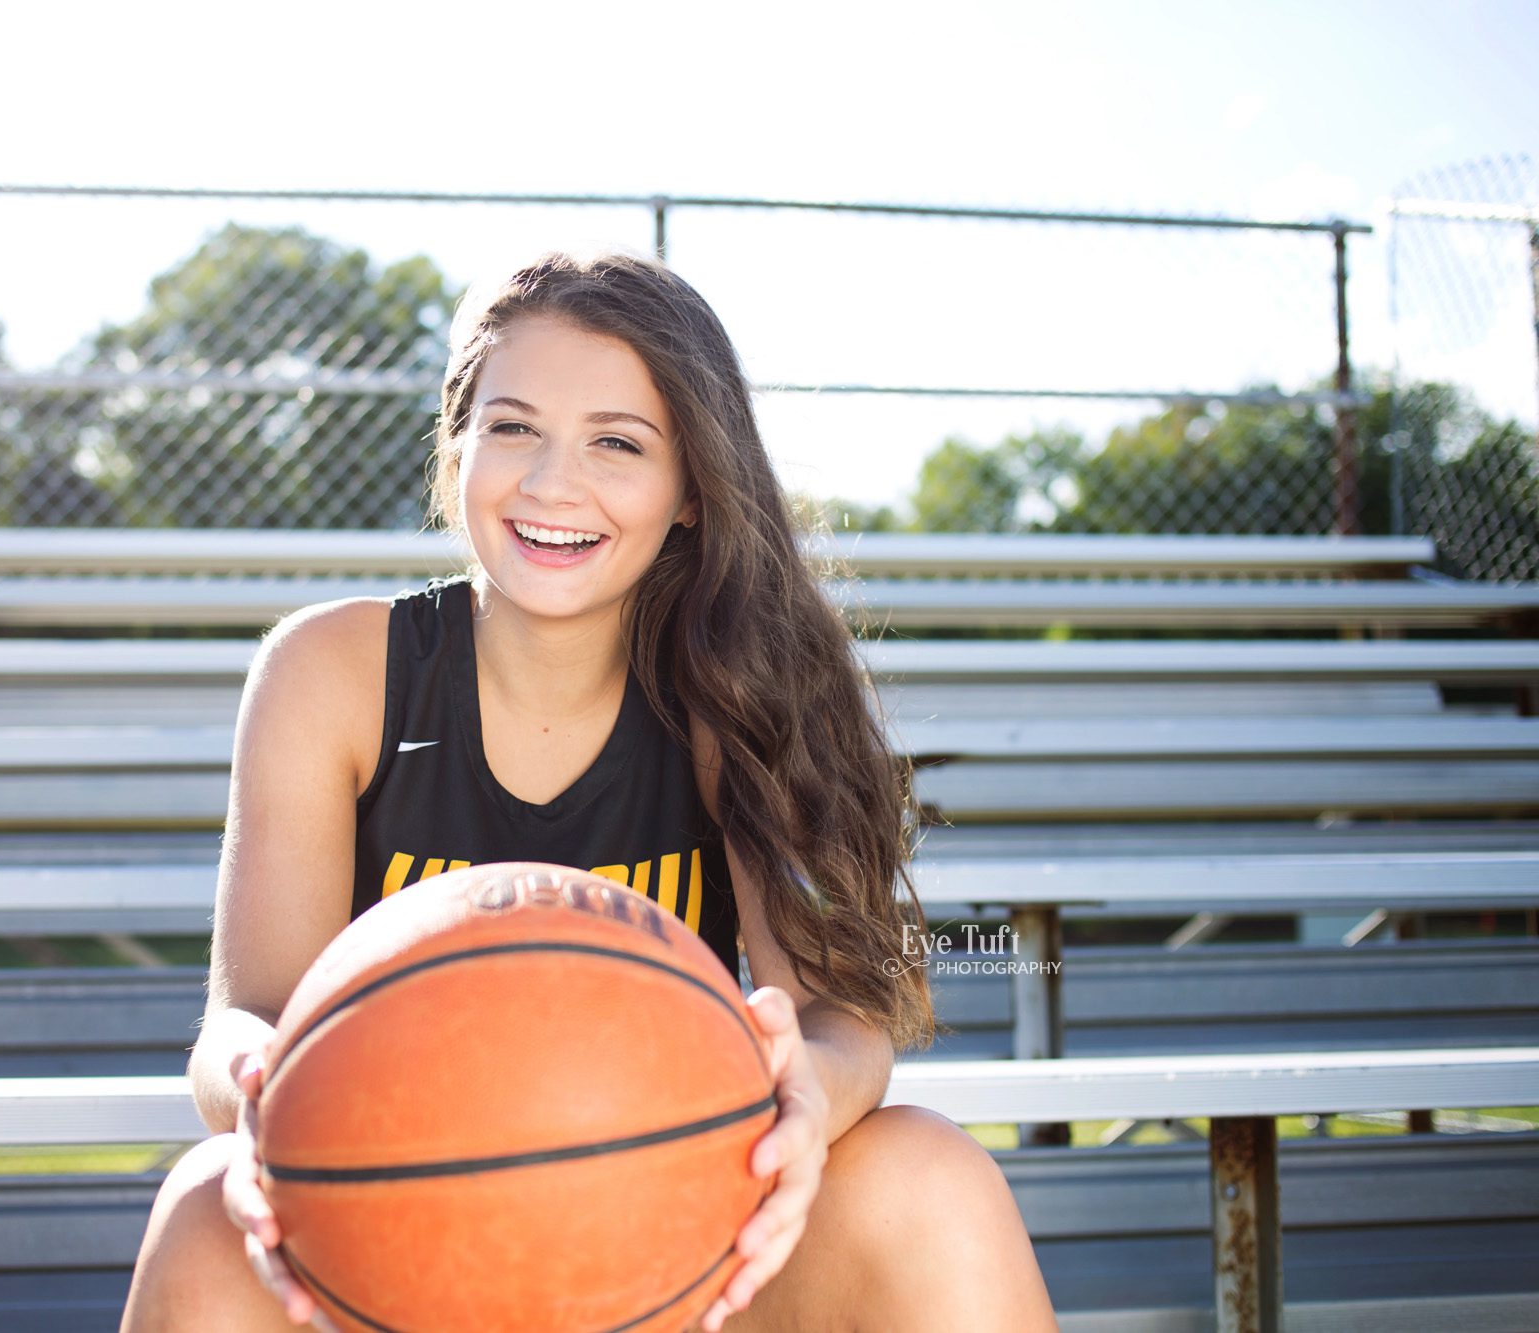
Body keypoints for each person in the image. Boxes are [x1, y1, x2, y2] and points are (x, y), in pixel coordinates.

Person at [120, 252, 1058, 1331]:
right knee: (205, 1205)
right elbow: (242, 1018)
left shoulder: (733, 690)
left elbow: (839, 1017)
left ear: (694, 488)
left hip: (674, 1236)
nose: (551, 482)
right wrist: (262, 1094)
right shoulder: (331, 674)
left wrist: (807, 1096)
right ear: (457, 447)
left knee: (926, 1174)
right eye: (513, 427)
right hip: (396, 1236)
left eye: (616, 442)